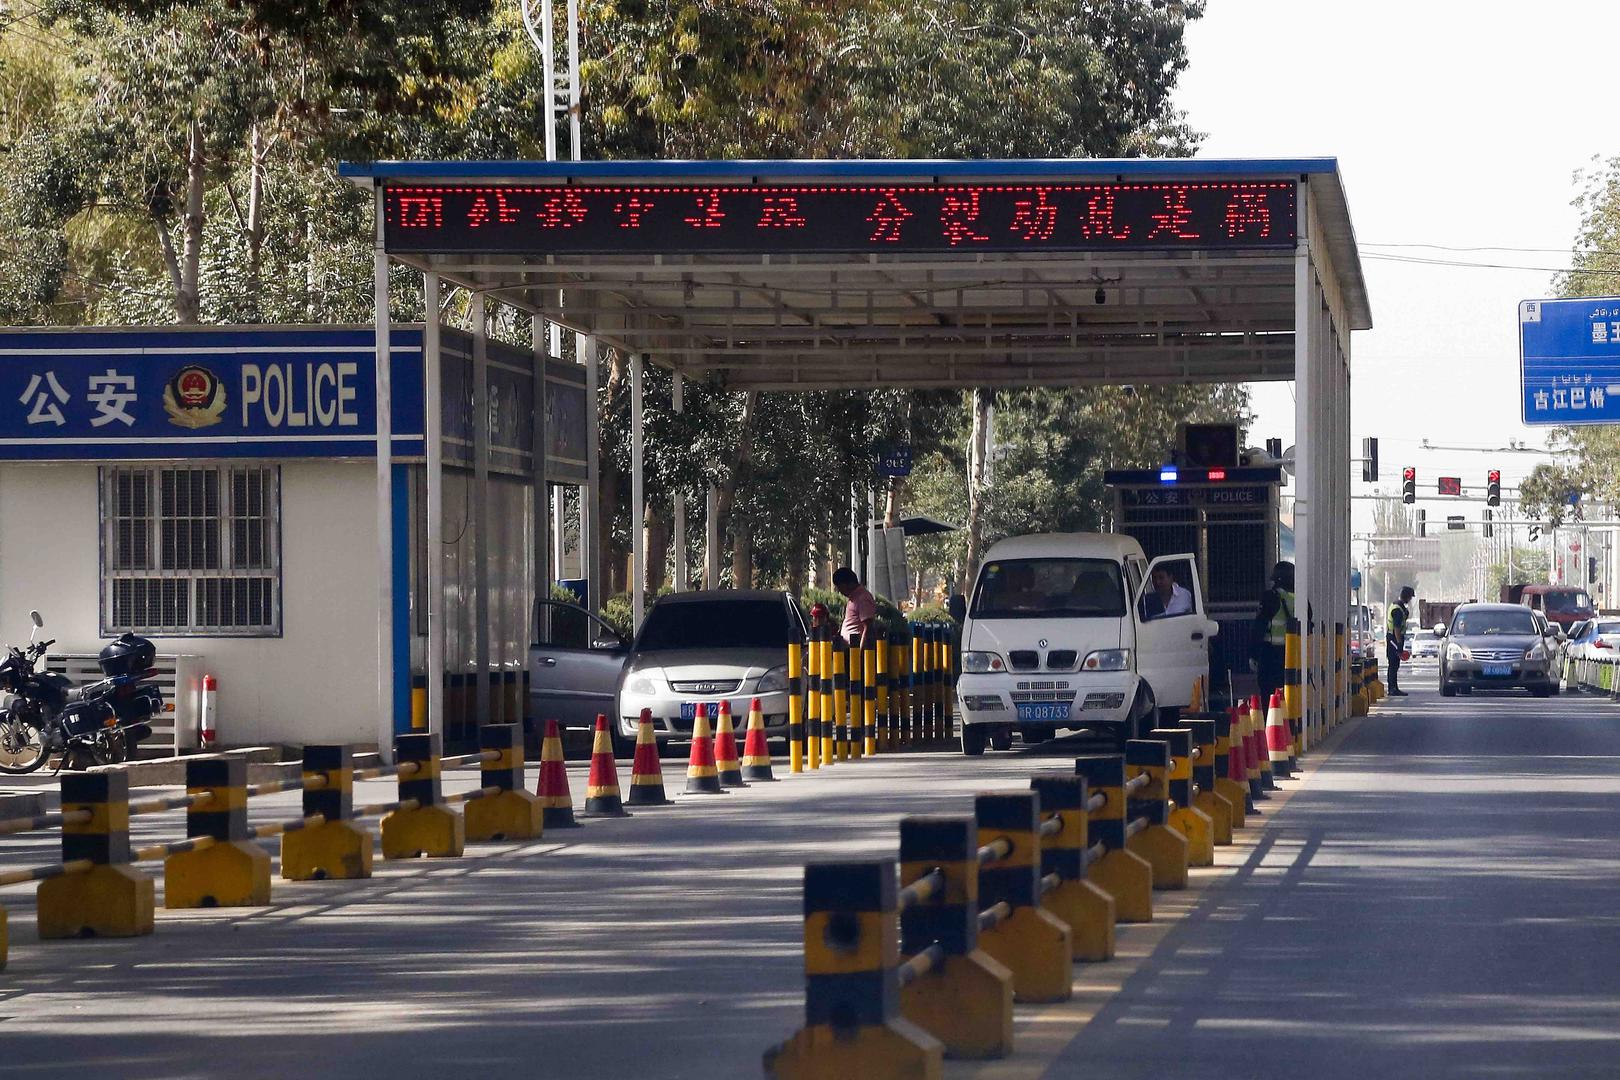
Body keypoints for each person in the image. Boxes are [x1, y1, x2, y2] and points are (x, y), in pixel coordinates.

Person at [1250, 561, 1295, 705]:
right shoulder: (1299, 600)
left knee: (1268, 694)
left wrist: (1253, 654)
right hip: (1293, 653)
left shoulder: (1270, 597)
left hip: (1270, 653)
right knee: (1289, 691)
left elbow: (1259, 626)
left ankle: (1271, 722)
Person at [833, 566, 876, 649]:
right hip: (848, 648)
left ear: (849, 583)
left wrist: (861, 654)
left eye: (840, 587)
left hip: (854, 650)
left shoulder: (862, 598)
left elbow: (868, 627)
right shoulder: (854, 597)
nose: (840, 591)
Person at [1386, 585, 1415, 696]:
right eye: (1410, 597)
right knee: (1393, 664)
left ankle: (1393, 687)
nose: (1410, 600)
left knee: (1394, 664)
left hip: (1392, 638)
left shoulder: (1396, 605)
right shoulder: (1398, 610)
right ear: (1407, 597)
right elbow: (1397, 628)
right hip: (1394, 639)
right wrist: (1399, 644)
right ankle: (1392, 688)